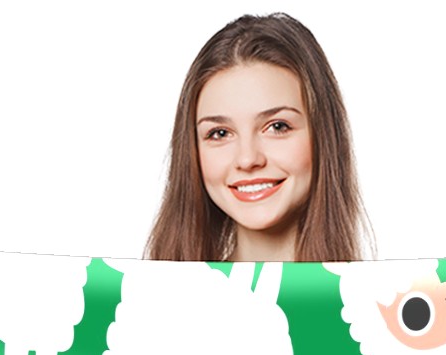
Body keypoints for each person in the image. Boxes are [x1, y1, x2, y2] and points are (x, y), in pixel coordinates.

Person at [145, 13, 374, 264]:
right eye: (220, 133)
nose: (247, 159)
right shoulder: (149, 289)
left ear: (323, 136)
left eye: (277, 127)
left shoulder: (385, 288)